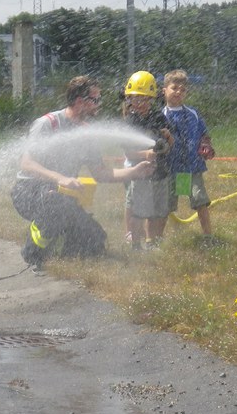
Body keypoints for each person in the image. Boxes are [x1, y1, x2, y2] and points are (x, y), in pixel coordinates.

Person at [11, 75, 155, 271]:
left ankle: (62, 253)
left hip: (61, 194)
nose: (99, 104)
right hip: (28, 191)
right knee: (55, 206)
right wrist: (60, 178)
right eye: (95, 100)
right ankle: (34, 253)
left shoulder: (88, 133)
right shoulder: (48, 124)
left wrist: (134, 172)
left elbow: (101, 174)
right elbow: (27, 163)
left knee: (95, 240)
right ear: (80, 102)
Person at [121, 71, 174, 250]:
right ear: (129, 100)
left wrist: (168, 138)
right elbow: (129, 154)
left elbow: (170, 144)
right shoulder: (130, 122)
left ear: (152, 99)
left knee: (156, 212)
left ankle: (151, 242)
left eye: (145, 99)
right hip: (141, 174)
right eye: (136, 99)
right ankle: (136, 245)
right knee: (139, 212)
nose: (140, 104)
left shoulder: (159, 117)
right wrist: (145, 154)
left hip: (160, 173)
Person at [161, 69, 215, 237]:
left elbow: (204, 133)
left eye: (182, 89)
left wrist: (206, 145)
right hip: (171, 169)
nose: (178, 92)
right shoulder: (160, 116)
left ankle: (208, 236)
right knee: (166, 205)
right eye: (174, 88)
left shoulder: (193, 114)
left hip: (192, 167)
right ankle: (156, 238)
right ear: (164, 90)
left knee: (200, 201)